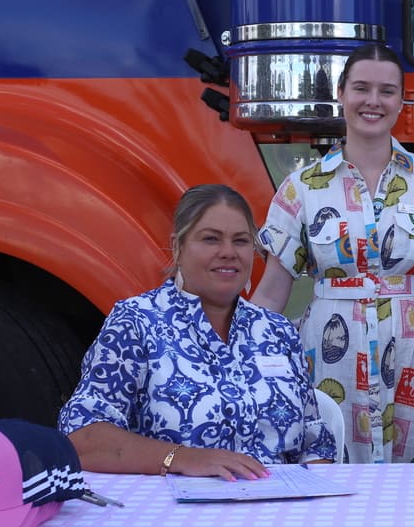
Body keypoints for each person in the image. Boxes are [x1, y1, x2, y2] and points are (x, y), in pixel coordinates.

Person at [253, 43, 414, 464]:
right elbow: (270, 298)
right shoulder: (301, 188)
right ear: (341, 93)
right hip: (329, 363)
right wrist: (257, 378)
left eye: (387, 91)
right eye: (361, 88)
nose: (373, 101)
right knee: (331, 486)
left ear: (402, 100)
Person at [59, 184, 336, 479]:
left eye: (240, 241)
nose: (228, 252)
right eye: (211, 239)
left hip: (279, 511)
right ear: (178, 247)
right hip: (175, 514)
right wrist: (183, 458)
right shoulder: (136, 322)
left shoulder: (277, 331)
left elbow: (316, 444)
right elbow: (83, 437)